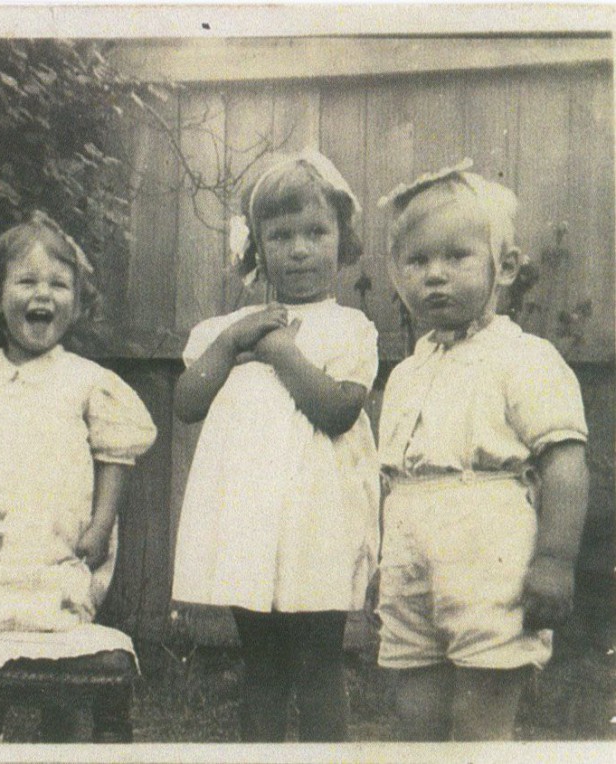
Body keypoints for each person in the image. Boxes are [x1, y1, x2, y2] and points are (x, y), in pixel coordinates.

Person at [371, 161, 590, 740]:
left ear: (506, 266)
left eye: (456, 257)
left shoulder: (524, 357)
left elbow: (565, 464)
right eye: (417, 262)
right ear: (397, 275)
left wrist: (555, 560)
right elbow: (390, 482)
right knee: (415, 713)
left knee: (480, 718)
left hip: (490, 558)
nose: (434, 276)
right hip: (413, 566)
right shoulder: (407, 373)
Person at [170, 150, 380, 742]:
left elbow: (338, 411)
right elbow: (186, 402)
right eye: (281, 235)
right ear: (256, 247)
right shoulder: (226, 330)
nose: (300, 249)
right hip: (252, 521)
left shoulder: (350, 330)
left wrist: (281, 351)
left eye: (316, 232)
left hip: (320, 522)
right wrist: (235, 339)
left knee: (318, 663)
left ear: (343, 240)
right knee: (261, 665)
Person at [0, 211, 156, 742]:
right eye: (27, 281)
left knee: (57, 657)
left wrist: (101, 524)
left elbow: (115, 455)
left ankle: (58, 742)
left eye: (59, 284)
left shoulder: (86, 382)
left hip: (60, 546)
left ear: (77, 304)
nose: (44, 294)